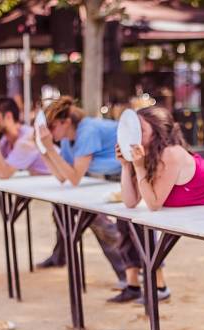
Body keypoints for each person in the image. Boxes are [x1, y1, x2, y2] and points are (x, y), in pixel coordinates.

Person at [118, 106, 204, 330]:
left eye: (140, 130)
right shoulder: (149, 155)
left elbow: (153, 202)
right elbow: (131, 201)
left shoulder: (170, 154)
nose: (134, 136)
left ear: (157, 131)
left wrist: (138, 166)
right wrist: (127, 165)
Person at [37, 96, 136, 295]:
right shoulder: (66, 139)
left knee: (106, 224)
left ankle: (131, 275)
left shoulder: (87, 131)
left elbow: (74, 177)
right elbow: (61, 176)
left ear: (65, 122)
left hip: (123, 175)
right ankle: (126, 275)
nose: (49, 132)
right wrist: (44, 151)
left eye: (52, 126)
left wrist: (49, 148)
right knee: (72, 214)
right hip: (104, 178)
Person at [0, 96, 49, 179]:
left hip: (57, 182)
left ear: (8, 116)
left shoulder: (28, 138)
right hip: (45, 185)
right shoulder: (6, 141)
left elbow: (4, 174)